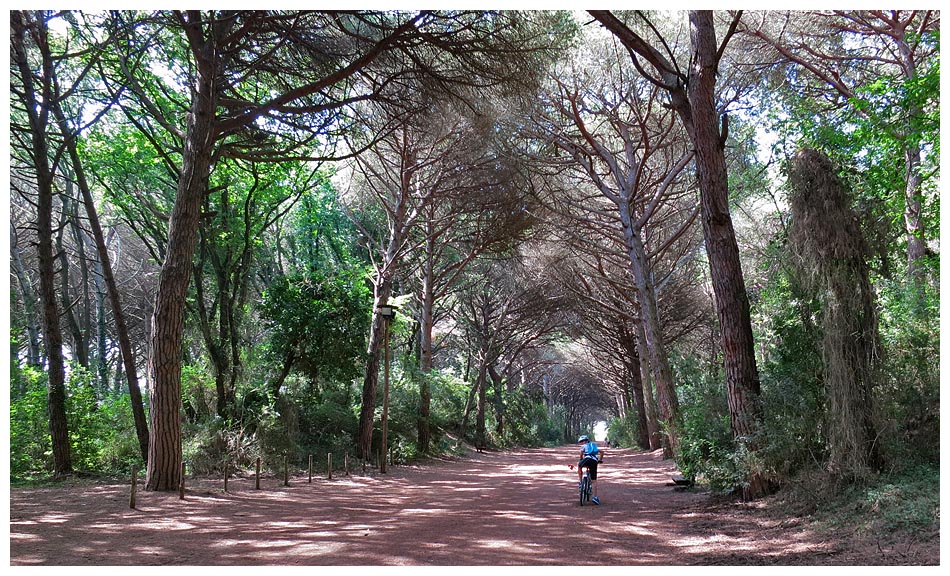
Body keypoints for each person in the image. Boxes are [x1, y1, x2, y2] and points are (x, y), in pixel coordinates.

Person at [575, 435, 602, 504]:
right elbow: (602, 452)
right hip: (594, 461)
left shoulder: (584, 446)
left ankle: (581, 482)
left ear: (584, 441)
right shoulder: (593, 446)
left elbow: (581, 455)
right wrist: (600, 460)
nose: (581, 443)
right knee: (594, 480)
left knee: (579, 465)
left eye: (581, 441)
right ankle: (595, 497)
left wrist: (581, 460)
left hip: (587, 459)